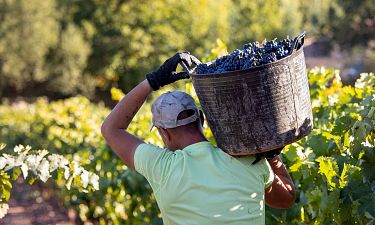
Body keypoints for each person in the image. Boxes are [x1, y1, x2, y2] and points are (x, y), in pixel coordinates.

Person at [101, 52, 296, 225]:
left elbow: (111, 129)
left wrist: (152, 81)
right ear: (201, 119)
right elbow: (286, 198)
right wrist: (270, 154)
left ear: (164, 133)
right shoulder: (247, 159)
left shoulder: (162, 168)